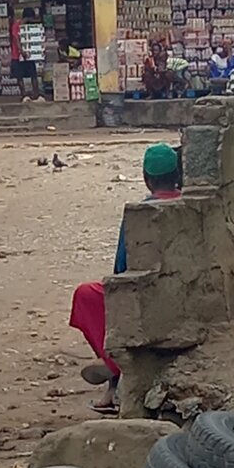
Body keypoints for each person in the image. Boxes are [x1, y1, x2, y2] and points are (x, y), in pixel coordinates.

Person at [69, 143, 182, 414]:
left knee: (87, 295)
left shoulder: (139, 213)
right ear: (178, 174)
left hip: (146, 298)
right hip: (184, 292)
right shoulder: (191, 206)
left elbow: (122, 267)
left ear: (146, 178)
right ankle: (113, 375)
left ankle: (115, 371)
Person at [10, 7, 42, 102]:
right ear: (29, 17)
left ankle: (35, 94)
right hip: (17, 55)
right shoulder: (17, 25)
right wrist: (22, 51)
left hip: (28, 54)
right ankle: (24, 94)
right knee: (19, 76)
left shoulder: (30, 26)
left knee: (33, 74)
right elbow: (16, 39)